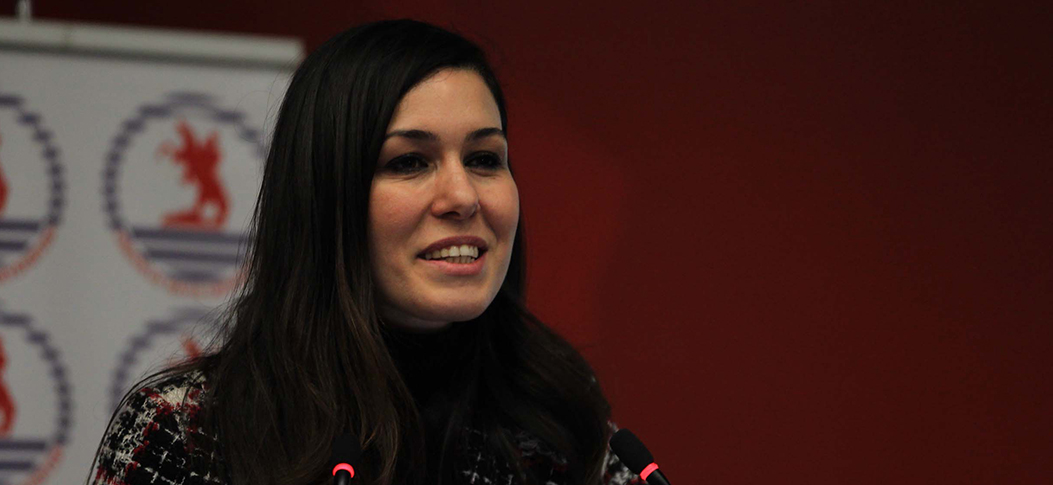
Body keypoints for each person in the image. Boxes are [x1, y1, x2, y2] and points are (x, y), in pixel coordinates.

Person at [90, 20, 640, 485]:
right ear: (325, 196)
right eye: (409, 162)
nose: (463, 196)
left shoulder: (555, 419)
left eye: (484, 158)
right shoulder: (185, 432)